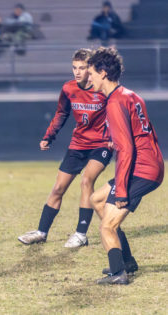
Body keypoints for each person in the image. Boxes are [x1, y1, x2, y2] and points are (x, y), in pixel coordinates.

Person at [18, 49, 111, 248]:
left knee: (87, 181)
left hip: (102, 144)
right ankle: (41, 232)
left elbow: (117, 113)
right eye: (74, 68)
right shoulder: (69, 88)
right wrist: (49, 136)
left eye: (82, 68)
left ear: (91, 69)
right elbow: (61, 114)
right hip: (78, 143)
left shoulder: (103, 89)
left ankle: (80, 234)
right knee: (59, 187)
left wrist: (114, 138)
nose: (77, 72)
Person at [88, 47, 164, 285]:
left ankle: (118, 273)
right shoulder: (131, 95)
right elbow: (144, 133)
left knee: (107, 227)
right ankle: (127, 262)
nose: (89, 78)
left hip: (141, 170)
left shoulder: (114, 102)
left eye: (91, 73)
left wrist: (121, 191)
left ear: (102, 73)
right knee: (97, 200)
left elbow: (126, 150)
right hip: (150, 164)